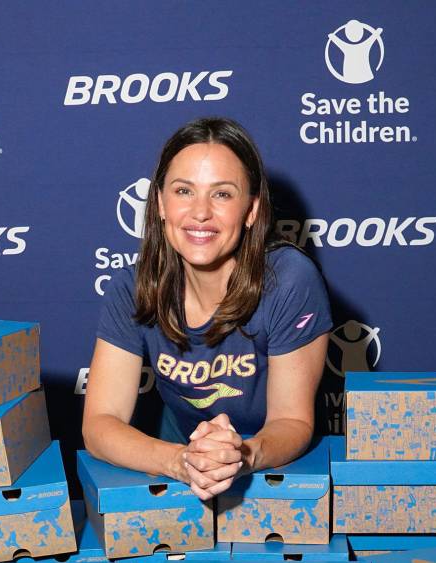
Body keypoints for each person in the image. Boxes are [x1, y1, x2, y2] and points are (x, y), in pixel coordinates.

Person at [83, 118, 331, 500]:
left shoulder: (290, 280)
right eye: (184, 191)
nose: (200, 213)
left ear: (251, 210)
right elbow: (101, 422)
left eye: (222, 194)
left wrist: (239, 456)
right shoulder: (132, 287)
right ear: (161, 204)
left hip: (275, 466)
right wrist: (181, 461)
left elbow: (291, 420)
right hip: (186, 457)